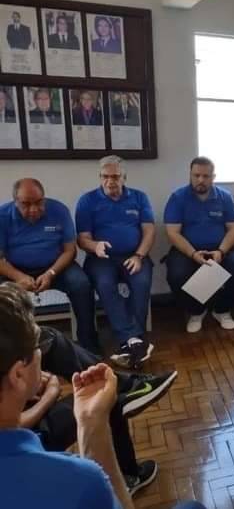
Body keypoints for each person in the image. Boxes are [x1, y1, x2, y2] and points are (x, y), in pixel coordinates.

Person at [0, 283, 205, 509]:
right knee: (192, 508)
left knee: (57, 343)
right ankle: (128, 474)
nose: (40, 350)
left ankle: (127, 386)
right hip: (43, 438)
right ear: (17, 375)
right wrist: (85, 422)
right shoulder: (77, 479)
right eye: (36, 346)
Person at [0, 178, 99, 352]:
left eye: (39, 202)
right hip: (16, 269)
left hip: (56, 266)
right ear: (15, 202)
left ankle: (89, 345)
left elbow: (70, 251)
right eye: (26, 204)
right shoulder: (2, 216)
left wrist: (51, 273)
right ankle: (9, 349)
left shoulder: (59, 210)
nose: (34, 209)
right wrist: (19, 277)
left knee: (81, 284)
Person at [76, 155, 155, 369]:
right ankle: (135, 339)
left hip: (134, 255)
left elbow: (149, 232)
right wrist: (95, 246)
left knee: (141, 282)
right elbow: (82, 239)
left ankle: (130, 341)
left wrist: (139, 256)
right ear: (100, 177)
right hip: (101, 259)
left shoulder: (139, 197)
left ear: (124, 177)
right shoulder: (87, 201)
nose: (110, 181)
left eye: (115, 176)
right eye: (105, 176)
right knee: (105, 284)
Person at [164, 156, 234, 333]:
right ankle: (196, 312)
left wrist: (221, 251)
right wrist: (193, 254)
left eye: (205, 176)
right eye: (196, 175)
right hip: (187, 251)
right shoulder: (177, 197)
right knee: (176, 275)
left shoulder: (225, 197)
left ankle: (222, 310)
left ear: (213, 177)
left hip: (221, 249)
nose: (200, 180)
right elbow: (172, 232)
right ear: (190, 175)